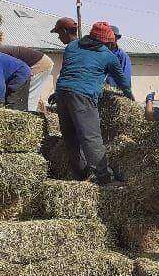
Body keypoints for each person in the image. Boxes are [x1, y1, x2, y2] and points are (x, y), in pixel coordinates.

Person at [54, 20, 134, 184]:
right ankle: (104, 177)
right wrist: (129, 96)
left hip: (62, 94)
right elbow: (122, 81)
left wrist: (56, 93)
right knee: (91, 138)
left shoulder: (72, 46)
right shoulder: (108, 56)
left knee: (70, 138)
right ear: (106, 41)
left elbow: (67, 71)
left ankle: (81, 175)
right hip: (83, 97)